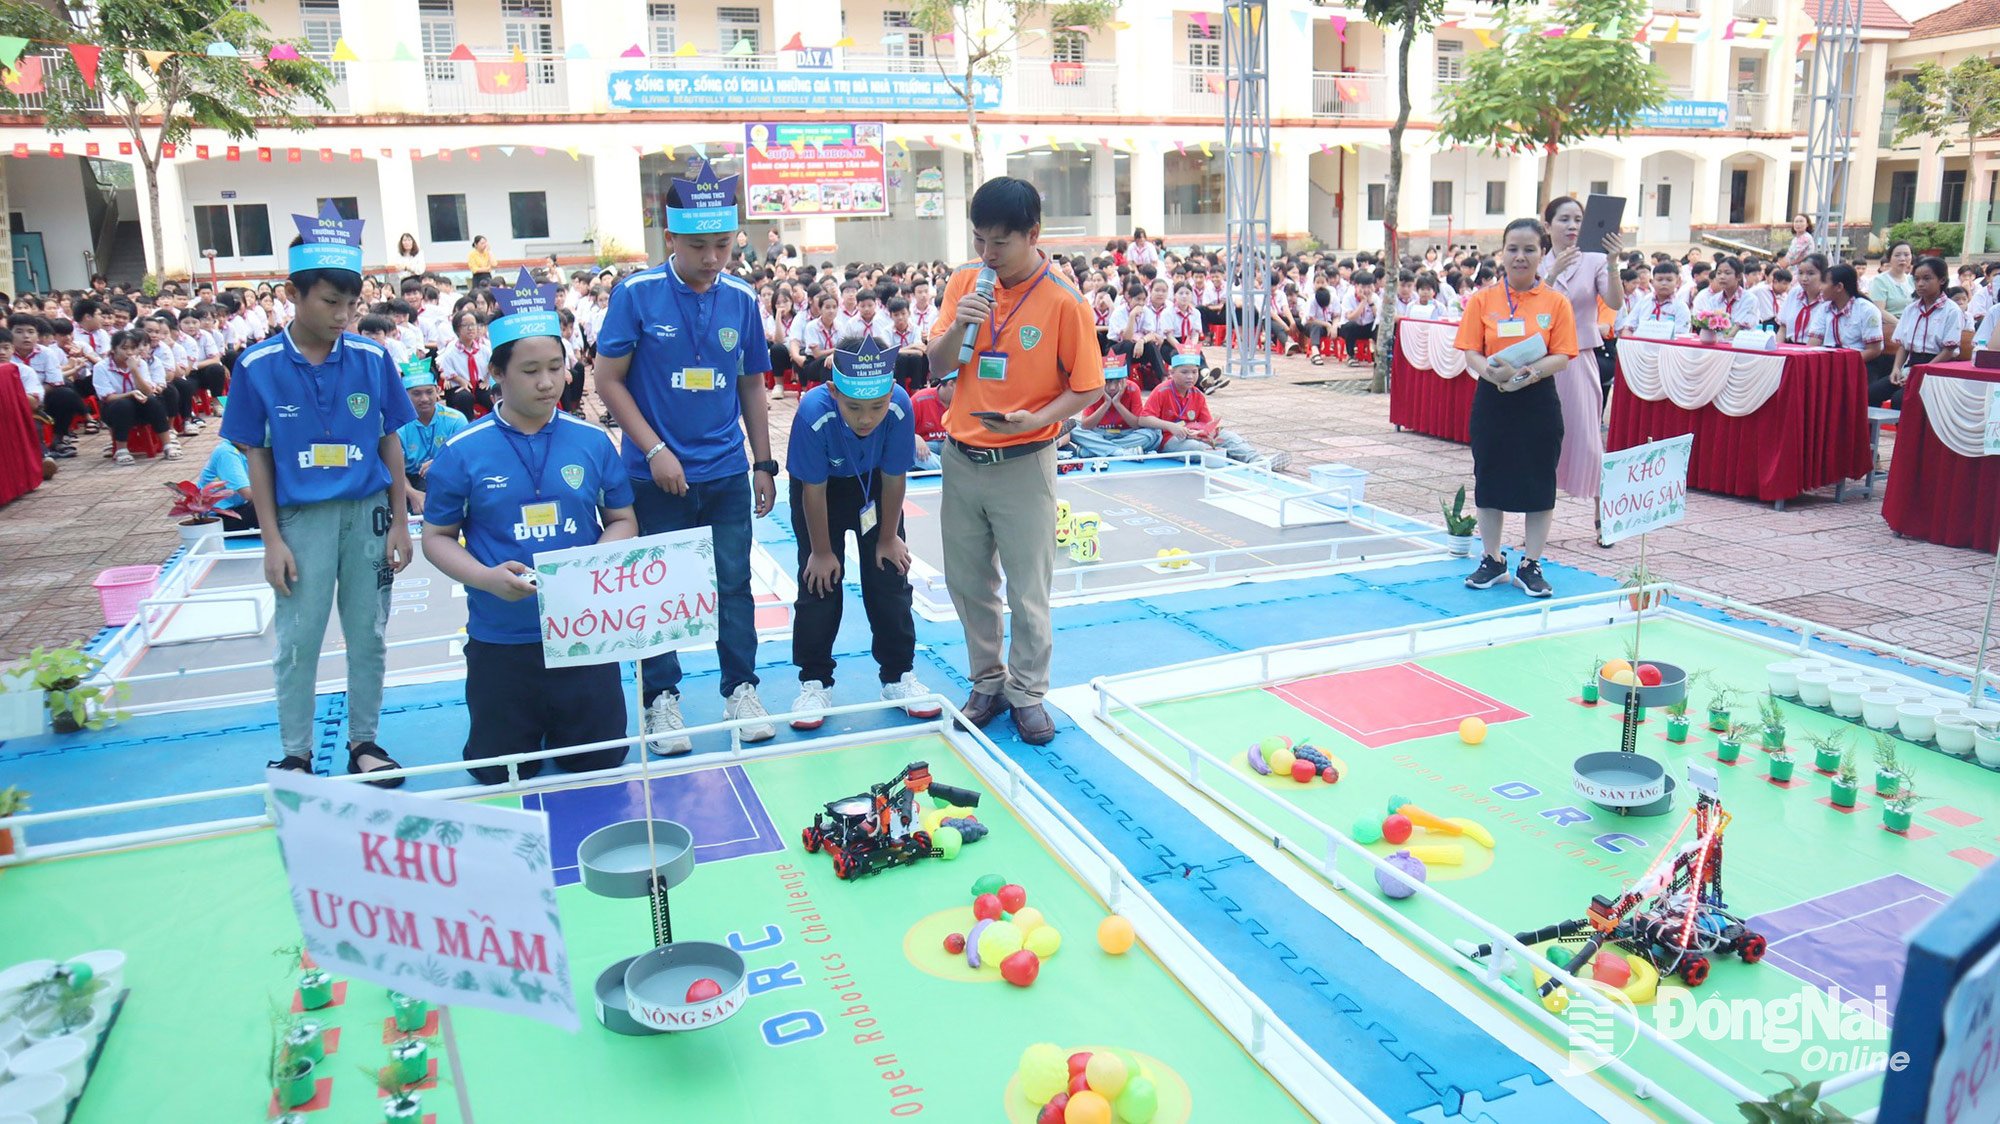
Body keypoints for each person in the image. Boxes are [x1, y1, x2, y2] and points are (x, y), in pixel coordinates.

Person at [219, 203, 416, 783]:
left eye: (351, 304)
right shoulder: (255, 366)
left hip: (368, 514)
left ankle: (365, 742)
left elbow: (390, 442)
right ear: (293, 294)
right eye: (330, 302)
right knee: (298, 641)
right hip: (300, 519)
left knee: (368, 634)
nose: (343, 315)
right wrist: (270, 538)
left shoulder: (373, 357)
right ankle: (297, 752)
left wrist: (400, 522)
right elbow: (255, 454)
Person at [421, 270, 636, 785]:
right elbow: (436, 537)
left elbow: (623, 520)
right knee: (498, 771)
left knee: (599, 761)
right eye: (530, 370)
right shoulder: (462, 451)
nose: (547, 382)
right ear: (497, 372)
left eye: (556, 368)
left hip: (582, 631)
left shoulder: (591, 442)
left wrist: (593, 563)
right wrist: (485, 578)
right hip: (502, 636)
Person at [595, 159, 779, 755]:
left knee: (733, 584)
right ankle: (660, 701)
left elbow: (752, 381)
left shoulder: (743, 298)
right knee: (659, 592)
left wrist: (762, 462)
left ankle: (741, 688)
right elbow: (608, 380)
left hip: (725, 469)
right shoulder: (636, 295)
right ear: (670, 238)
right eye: (697, 246)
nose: (711, 258)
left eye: (722, 245)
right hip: (656, 475)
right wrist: (653, 450)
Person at [926, 176, 1105, 746]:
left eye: (1001, 242)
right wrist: (961, 324)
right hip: (960, 458)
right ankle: (987, 682)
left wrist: (1037, 419)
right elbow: (936, 365)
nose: (988, 254)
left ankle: (1028, 694)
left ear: (1034, 234)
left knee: (1029, 588)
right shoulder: (964, 284)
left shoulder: (1063, 301)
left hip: (1026, 460)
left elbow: (1087, 386)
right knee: (968, 582)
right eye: (980, 240)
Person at [784, 336, 938, 729]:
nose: (866, 418)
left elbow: (894, 477)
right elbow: (811, 491)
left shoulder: (901, 406)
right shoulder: (812, 411)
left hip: (874, 489)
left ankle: (898, 675)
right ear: (834, 391)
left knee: (890, 577)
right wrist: (821, 551)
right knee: (820, 583)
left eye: (877, 406)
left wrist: (888, 537)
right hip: (822, 494)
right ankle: (815, 680)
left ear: (891, 391)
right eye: (853, 407)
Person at [1456, 217, 1577, 600]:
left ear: (1543, 254)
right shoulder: (1483, 300)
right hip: (1493, 399)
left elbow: (1562, 356)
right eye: (1513, 249)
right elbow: (1472, 351)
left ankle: (1531, 564)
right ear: (1502, 253)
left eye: (1529, 249)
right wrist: (1491, 375)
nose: (1520, 257)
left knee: (1538, 480)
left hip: (1538, 401)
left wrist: (1526, 374)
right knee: (1489, 477)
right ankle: (1492, 559)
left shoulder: (1556, 303)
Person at [1540, 197, 1623, 531]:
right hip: (1541, 361)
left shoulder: (1596, 260)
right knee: (1541, 441)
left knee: (1588, 440)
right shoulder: (1535, 259)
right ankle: (1537, 518)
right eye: (1563, 219)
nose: (1572, 226)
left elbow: (1614, 301)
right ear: (1547, 225)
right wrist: (1553, 272)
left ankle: (1604, 517)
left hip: (1579, 357)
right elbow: (1532, 306)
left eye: (1578, 219)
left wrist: (1614, 261)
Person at [1149, 352, 1283, 465]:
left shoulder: (1197, 394)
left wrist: (1199, 432)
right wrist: (1171, 426)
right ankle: (1237, 461)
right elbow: (1144, 419)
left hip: (1195, 434)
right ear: (1172, 372)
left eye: (1194, 372)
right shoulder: (1161, 391)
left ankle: (1259, 462)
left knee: (1229, 437)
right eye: (1184, 372)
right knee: (1200, 449)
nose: (1190, 376)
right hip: (1170, 438)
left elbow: (1208, 424)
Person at [1877, 256, 1961, 409]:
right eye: (1916, 279)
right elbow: (1904, 345)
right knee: (1872, 393)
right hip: (1911, 365)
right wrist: (1896, 369)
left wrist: (1921, 372)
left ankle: (1905, 433)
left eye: (1927, 279)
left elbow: (1949, 350)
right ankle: (1869, 433)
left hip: (1937, 367)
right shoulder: (1911, 309)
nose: (1920, 284)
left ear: (1941, 280)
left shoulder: (1951, 310)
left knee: (1900, 400)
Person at [394, 359, 468, 516]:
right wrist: (413, 494)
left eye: (429, 392)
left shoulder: (455, 419)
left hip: (448, 477)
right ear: (403, 394)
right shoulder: (396, 425)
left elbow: (467, 459)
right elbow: (393, 469)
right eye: (416, 393)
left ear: (438, 390)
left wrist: (440, 462)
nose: (424, 399)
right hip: (408, 482)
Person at [92, 329, 176, 464]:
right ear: (114, 349)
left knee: (153, 401)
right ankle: (121, 450)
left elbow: (148, 391)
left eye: (133, 348)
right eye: (124, 348)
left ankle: (168, 445)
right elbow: (107, 397)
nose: (129, 352)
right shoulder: (101, 367)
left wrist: (134, 370)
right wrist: (130, 394)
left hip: (140, 405)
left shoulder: (140, 363)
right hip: (113, 409)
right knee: (124, 405)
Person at [1072, 354, 1172, 458]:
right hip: (1100, 433)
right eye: (1108, 381)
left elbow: (1137, 425)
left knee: (1153, 433)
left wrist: (1117, 403)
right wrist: (1106, 404)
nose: (1112, 387)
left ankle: (1097, 450)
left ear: (1124, 380)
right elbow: (1085, 425)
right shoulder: (1094, 389)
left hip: (1127, 434)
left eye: (1117, 381)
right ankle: (1119, 452)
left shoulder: (1133, 388)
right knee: (1072, 426)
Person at [1806, 264, 1886, 381]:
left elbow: (1874, 350)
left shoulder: (1867, 309)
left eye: (1824, 283)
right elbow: (1814, 342)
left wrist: (1842, 364)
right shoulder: (1824, 308)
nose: (1820, 288)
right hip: (1829, 363)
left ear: (1839, 287)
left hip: (1859, 365)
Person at [193, 436, 259, 531]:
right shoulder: (227, 452)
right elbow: (248, 494)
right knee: (270, 508)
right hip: (217, 519)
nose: (245, 435)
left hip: (237, 508)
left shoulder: (251, 449)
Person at [1690, 256, 1769, 332]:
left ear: (1738, 276)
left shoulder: (1749, 299)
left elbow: (1739, 327)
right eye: (1719, 273)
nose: (1722, 277)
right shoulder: (1714, 300)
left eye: (1727, 273)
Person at [1868, 240, 1915, 338]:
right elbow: (1879, 310)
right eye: (1897, 255)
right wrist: (1902, 325)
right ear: (1889, 258)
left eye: (1906, 254)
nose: (1902, 258)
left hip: (1913, 327)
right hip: (1891, 330)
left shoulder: (1912, 280)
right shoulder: (1880, 281)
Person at [1778, 254, 1827, 344]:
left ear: (1823, 275)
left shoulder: (1827, 299)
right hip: (1789, 347)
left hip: (1815, 351)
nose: (1804, 278)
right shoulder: (1794, 293)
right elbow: (1783, 328)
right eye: (1800, 273)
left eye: (1811, 273)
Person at [910, 369, 952, 471]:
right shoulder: (919, 399)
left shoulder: (966, 403)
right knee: (909, 453)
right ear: (951, 384)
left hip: (952, 448)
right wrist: (914, 437)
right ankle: (949, 469)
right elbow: (900, 431)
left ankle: (945, 468)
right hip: (925, 450)